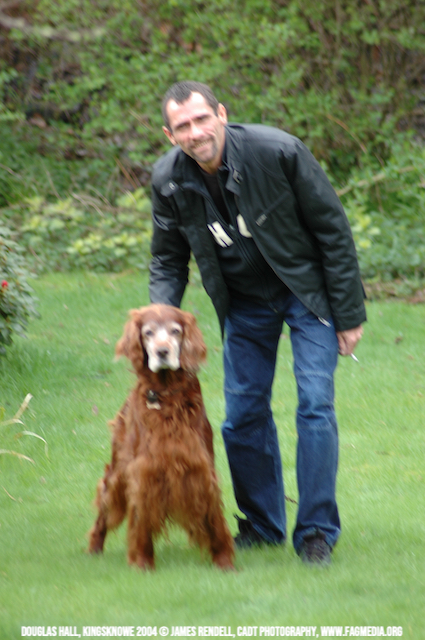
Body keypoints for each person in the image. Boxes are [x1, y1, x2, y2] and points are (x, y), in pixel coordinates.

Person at [148, 81, 366, 565]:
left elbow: (332, 228)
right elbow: (167, 260)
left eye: (202, 119)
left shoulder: (278, 151)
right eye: (182, 126)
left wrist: (349, 313)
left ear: (221, 114)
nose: (195, 132)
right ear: (169, 135)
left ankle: (315, 533)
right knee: (242, 415)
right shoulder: (168, 180)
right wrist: (159, 325)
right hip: (243, 301)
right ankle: (262, 525)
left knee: (315, 405)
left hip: (305, 292)